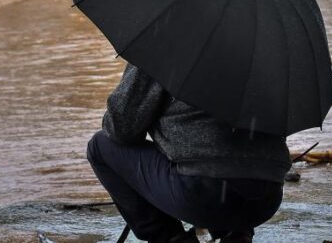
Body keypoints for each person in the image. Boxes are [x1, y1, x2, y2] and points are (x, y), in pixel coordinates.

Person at [86, 63, 290, 243]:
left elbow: (120, 128)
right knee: (232, 153)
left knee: (100, 146)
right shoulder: (261, 51)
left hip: (204, 194)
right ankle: (236, 234)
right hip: (266, 198)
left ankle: (170, 238)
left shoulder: (164, 43)